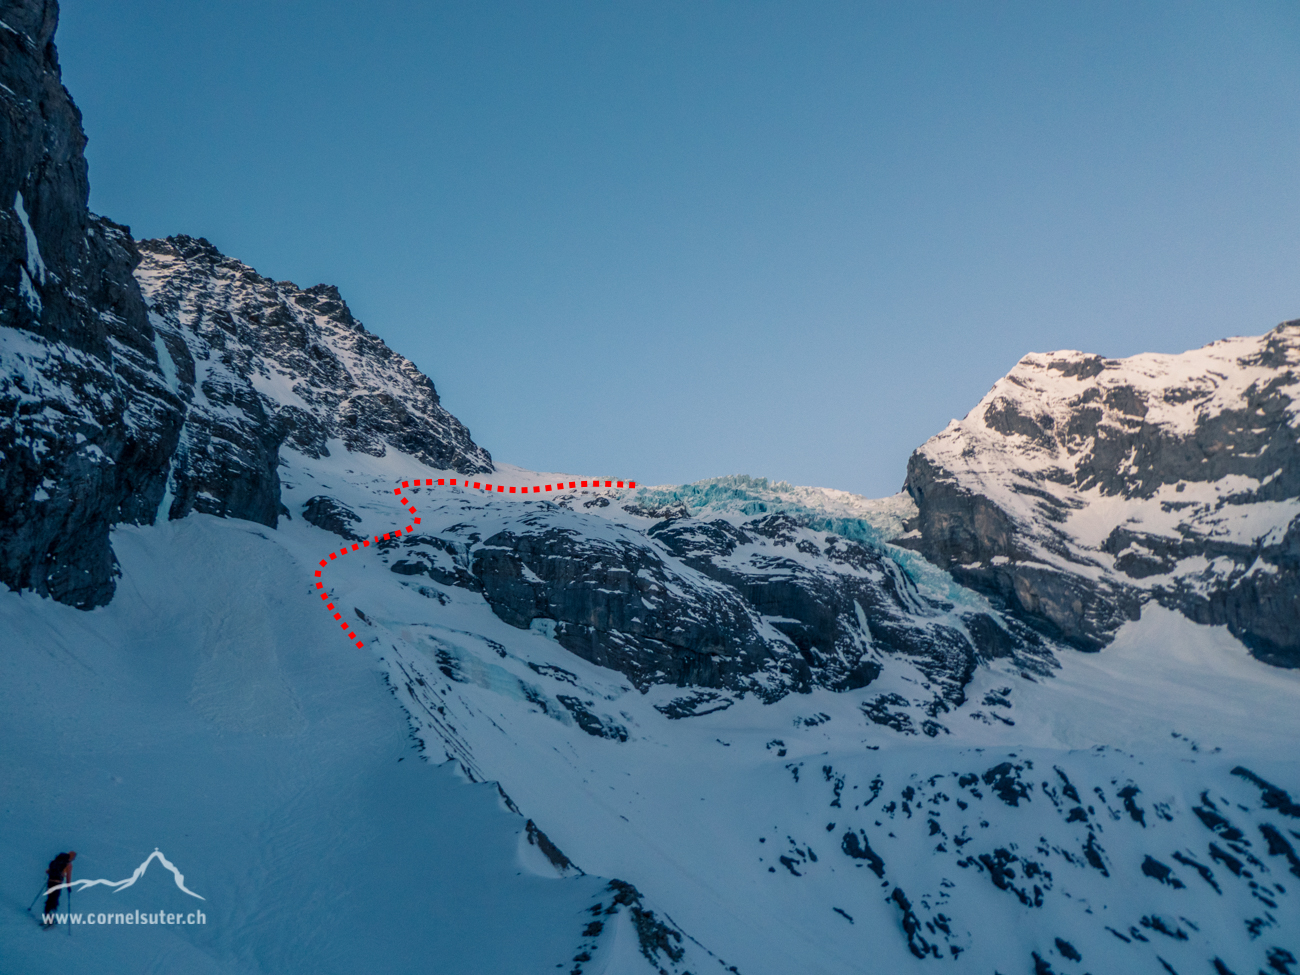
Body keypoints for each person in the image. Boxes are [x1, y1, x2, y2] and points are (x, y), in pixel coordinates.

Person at [42, 851, 76, 925]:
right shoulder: (68, 864)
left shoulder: (56, 861)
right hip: (58, 883)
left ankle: (47, 916)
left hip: (50, 882)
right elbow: (68, 876)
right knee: (54, 900)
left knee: (49, 899)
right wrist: (68, 886)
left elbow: (48, 871)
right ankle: (51, 918)